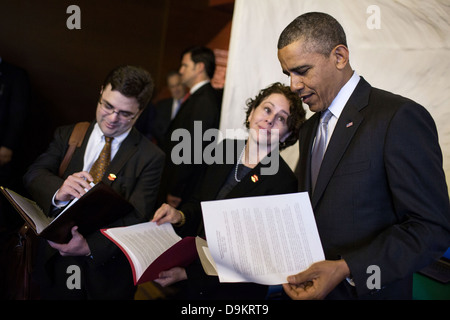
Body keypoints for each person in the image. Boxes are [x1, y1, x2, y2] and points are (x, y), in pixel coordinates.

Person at [277, 12, 450, 300]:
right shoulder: (309, 129)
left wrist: (347, 268)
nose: (294, 85)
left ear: (340, 56)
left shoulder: (398, 117)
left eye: (302, 70)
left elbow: (431, 229)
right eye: (288, 74)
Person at [151, 82, 306, 299]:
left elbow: (256, 257)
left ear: (287, 134)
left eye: (281, 118)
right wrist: (180, 215)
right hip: (193, 273)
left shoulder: (284, 182)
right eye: (267, 109)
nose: (270, 119)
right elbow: (198, 201)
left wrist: (189, 274)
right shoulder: (225, 148)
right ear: (252, 112)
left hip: (234, 292)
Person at [23, 65, 165, 299]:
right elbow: (34, 174)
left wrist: (91, 247)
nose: (112, 118)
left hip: (106, 276)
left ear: (139, 112)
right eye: (107, 106)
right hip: (53, 263)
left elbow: (138, 217)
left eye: (125, 113)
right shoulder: (69, 134)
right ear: (101, 92)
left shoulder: (151, 157)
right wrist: (58, 190)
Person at [158, 46, 222, 209]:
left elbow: (193, 150)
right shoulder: (199, 97)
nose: (180, 70)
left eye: (185, 65)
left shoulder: (204, 101)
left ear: (199, 67)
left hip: (182, 192)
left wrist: (177, 190)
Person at [150, 71, 188, 148]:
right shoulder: (161, 105)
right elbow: (156, 129)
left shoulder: (192, 104)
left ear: (184, 84)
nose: (176, 89)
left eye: (178, 85)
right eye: (172, 86)